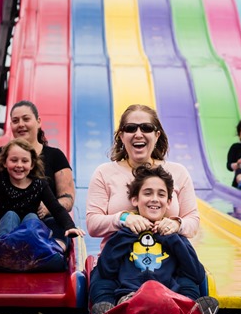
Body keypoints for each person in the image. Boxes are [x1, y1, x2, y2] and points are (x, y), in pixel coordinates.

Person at [89, 164, 218, 314]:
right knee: (102, 282)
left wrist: (171, 238)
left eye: (161, 194)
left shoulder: (173, 235)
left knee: (188, 283)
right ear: (135, 199)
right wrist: (127, 234)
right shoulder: (124, 234)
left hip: (170, 297)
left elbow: (195, 273)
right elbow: (106, 269)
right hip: (131, 297)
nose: (155, 199)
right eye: (148, 193)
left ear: (169, 202)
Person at [86, 104, 200, 248]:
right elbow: (92, 224)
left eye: (146, 128)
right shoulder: (104, 173)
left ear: (156, 135)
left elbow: (193, 221)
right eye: (130, 128)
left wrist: (176, 224)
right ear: (121, 136)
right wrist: (123, 219)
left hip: (168, 261)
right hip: (119, 263)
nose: (138, 134)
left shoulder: (178, 172)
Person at [0, 100, 76, 250]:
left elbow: (68, 198)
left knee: (56, 220)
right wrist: (2, 202)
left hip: (42, 224)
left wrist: (47, 208)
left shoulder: (55, 156)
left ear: (38, 121)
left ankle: (53, 251)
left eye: (26, 119)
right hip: (4, 219)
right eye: (15, 121)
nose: (20, 124)